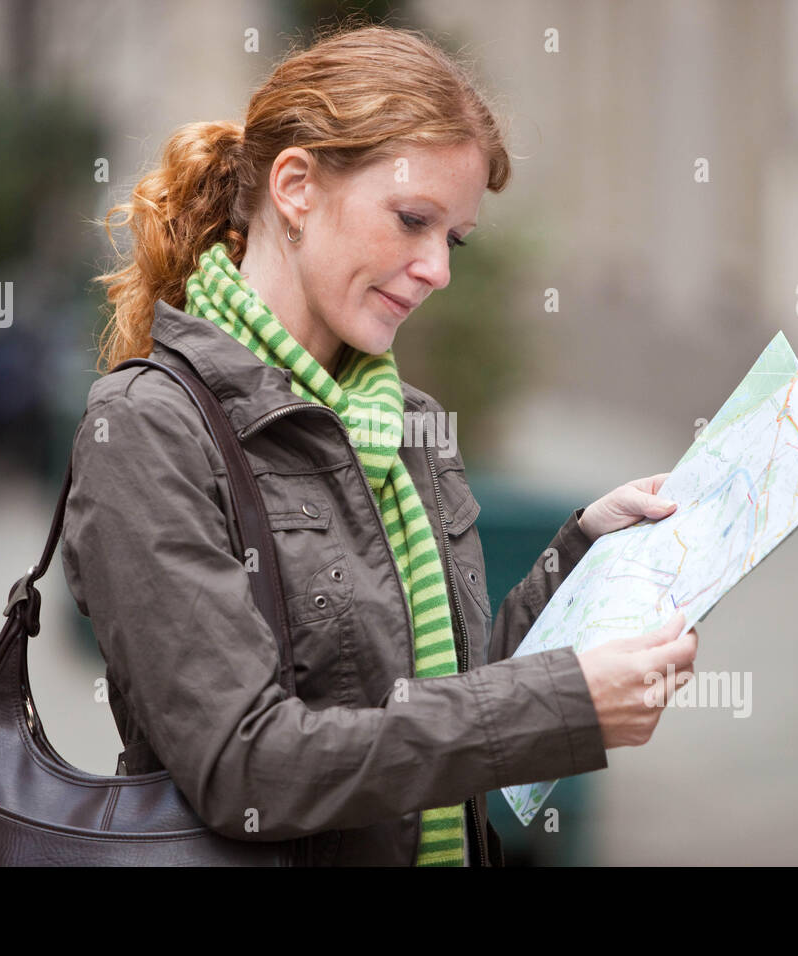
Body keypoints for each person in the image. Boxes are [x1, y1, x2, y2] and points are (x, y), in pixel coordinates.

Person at [62, 22, 699, 867]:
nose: (437, 267)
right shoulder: (149, 427)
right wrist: (562, 706)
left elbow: (440, 701)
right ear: (295, 186)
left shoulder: (403, 420)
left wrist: (580, 559)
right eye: (411, 220)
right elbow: (246, 768)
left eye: (453, 238)